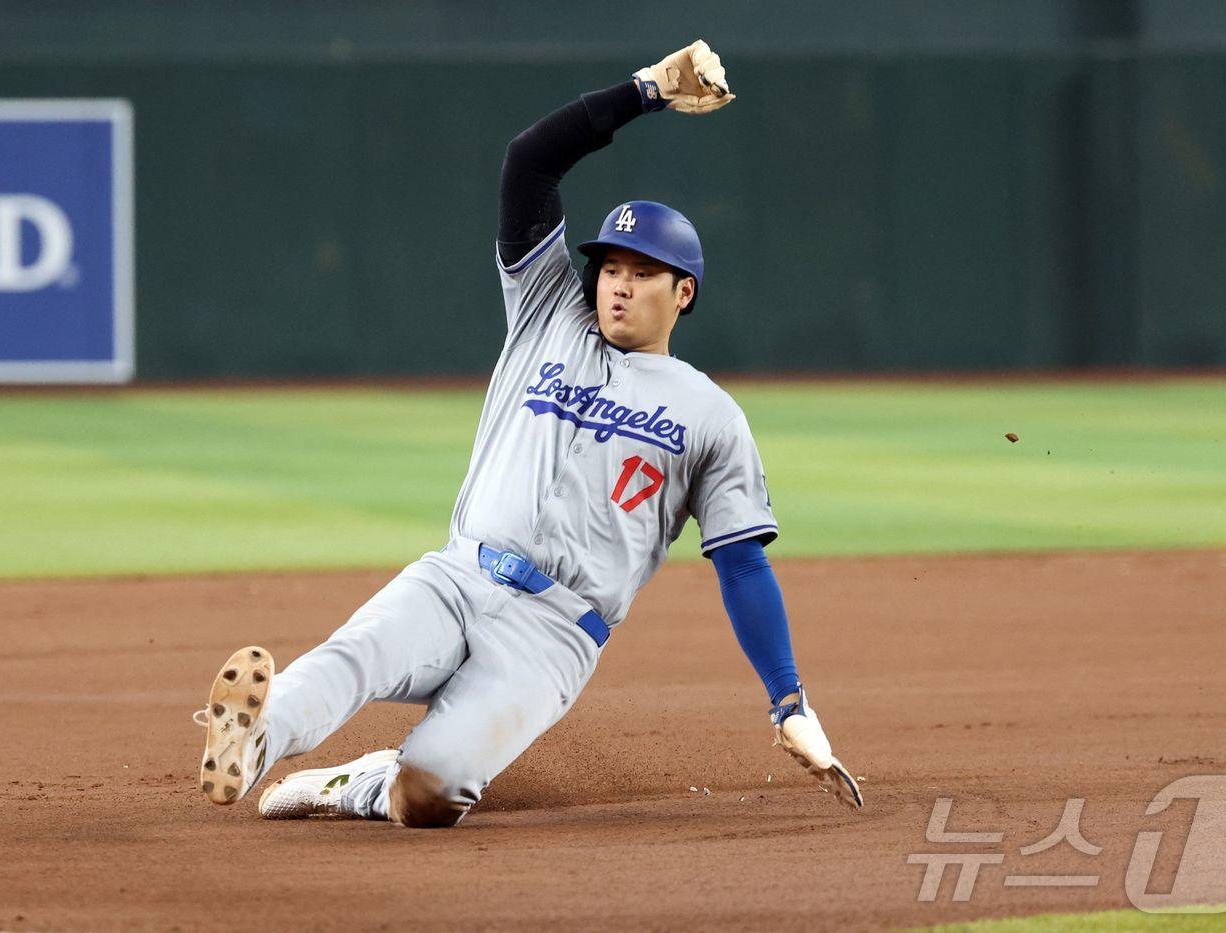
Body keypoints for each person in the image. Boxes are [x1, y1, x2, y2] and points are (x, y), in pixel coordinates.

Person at [194, 39, 863, 827]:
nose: (617, 281)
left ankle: (361, 784)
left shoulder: (708, 412)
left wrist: (788, 699)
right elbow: (528, 163)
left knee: (429, 796)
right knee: (355, 655)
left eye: (640, 271)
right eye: (610, 265)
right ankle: (252, 740)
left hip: (555, 634)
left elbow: (743, 564)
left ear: (682, 291)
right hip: (459, 575)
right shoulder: (548, 313)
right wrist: (646, 91)